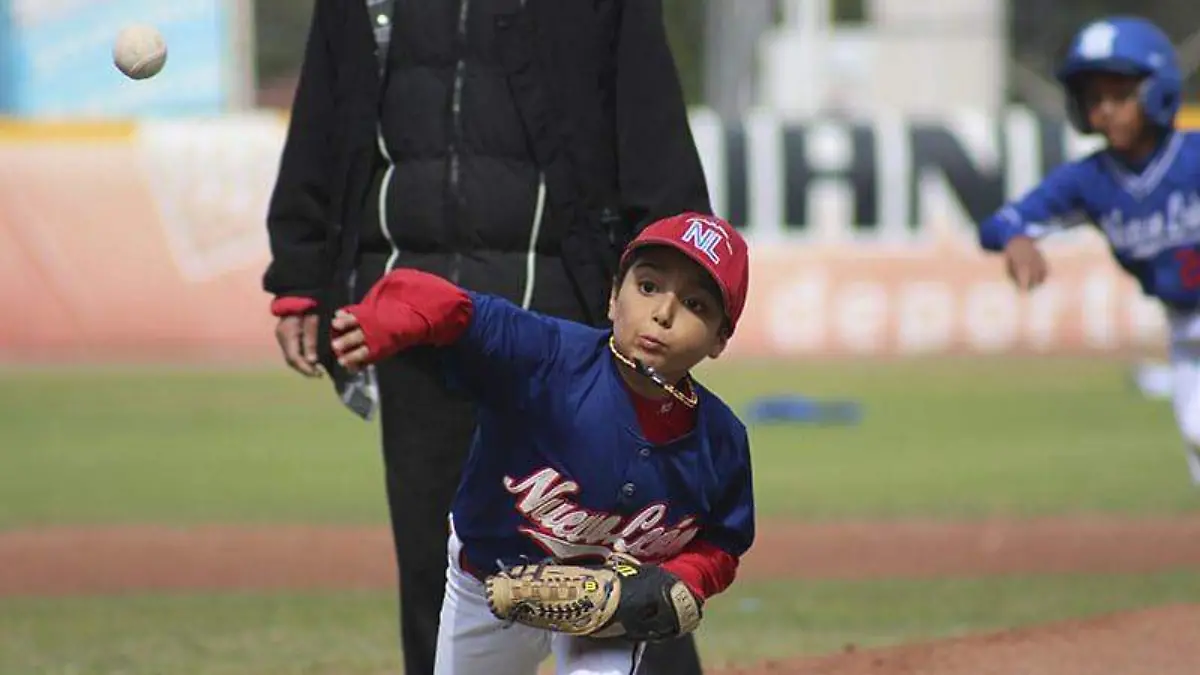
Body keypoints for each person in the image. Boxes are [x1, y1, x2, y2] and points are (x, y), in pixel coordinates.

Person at [261, 1, 714, 673]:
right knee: (443, 570)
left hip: (563, 312)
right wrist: (300, 271)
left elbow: (650, 122)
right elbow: (329, 108)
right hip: (408, 311)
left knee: (610, 551)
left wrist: (677, 285)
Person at [328, 212, 755, 675]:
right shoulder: (547, 356)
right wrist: (391, 315)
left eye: (695, 304)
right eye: (648, 287)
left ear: (720, 338)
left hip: (611, 610)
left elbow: (722, 542)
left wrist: (684, 578)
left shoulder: (722, 441)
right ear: (613, 296)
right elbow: (457, 310)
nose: (663, 314)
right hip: (488, 583)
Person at [977, 16, 1200, 485]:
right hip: (1184, 328)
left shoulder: (1192, 157)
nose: (1107, 111)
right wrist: (1017, 239)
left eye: (1121, 95)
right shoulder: (1089, 181)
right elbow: (999, 224)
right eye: (1094, 98)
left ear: (1157, 90)